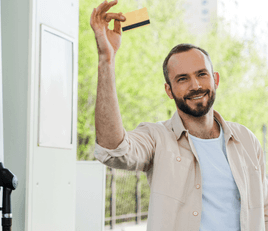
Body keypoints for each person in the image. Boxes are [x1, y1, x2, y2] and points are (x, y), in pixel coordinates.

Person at [90, 0, 268, 230]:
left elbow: (263, 208)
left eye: (202, 74)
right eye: (182, 79)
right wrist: (107, 60)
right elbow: (112, 149)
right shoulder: (157, 138)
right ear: (169, 91)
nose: (195, 85)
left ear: (215, 80)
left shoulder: (246, 139)